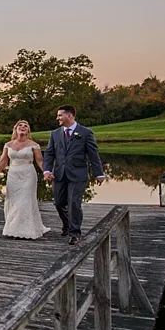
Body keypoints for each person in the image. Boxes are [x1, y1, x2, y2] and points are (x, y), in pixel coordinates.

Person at [42, 104, 105, 245]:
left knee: (74, 204)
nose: (57, 118)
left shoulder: (85, 133)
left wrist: (99, 173)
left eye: (60, 115)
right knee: (59, 203)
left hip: (78, 174)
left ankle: (75, 233)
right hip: (59, 174)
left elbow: (93, 155)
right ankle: (67, 224)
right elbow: (49, 153)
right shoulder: (55, 134)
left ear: (69, 115)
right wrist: (46, 170)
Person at [0, 119, 50, 239]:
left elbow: (40, 160)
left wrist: (46, 172)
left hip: (28, 174)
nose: (23, 127)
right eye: (20, 125)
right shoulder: (8, 145)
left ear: (28, 130)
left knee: (25, 200)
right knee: (13, 201)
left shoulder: (33, 145)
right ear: (16, 129)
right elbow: (3, 160)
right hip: (13, 175)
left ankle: (24, 230)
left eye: (25, 126)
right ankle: (13, 229)